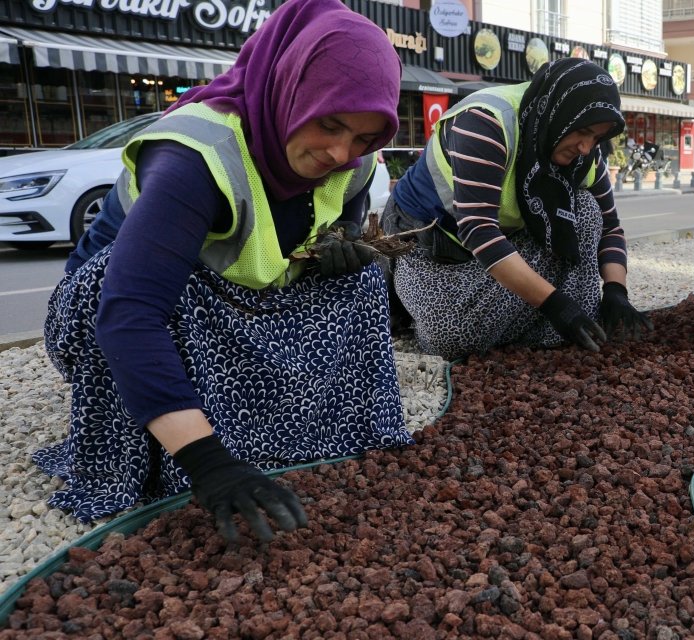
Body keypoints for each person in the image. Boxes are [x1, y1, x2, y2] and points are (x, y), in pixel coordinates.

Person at [37, 0, 415, 543]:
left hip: (234, 301)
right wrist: (209, 462)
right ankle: (174, 443)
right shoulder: (195, 155)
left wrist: (341, 247)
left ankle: (311, 432)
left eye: (362, 138)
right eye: (329, 123)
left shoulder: (355, 163)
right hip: (103, 317)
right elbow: (129, 313)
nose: (340, 151)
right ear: (289, 88)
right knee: (168, 284)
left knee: (357, 279)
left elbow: (333, 234)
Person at [382, 58, 651, 360]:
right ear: (559, 113)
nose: (586, 148)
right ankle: (408, 305)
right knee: (451, 339)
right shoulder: (486, 122)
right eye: (583, 132)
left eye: (596, 138)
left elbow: (610, 227)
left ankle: (520, 325)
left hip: (501, 249)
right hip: (429, 244)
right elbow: (479, 230)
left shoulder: (585, 156)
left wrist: (616, 291)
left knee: (586, 209)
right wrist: (554, 305)